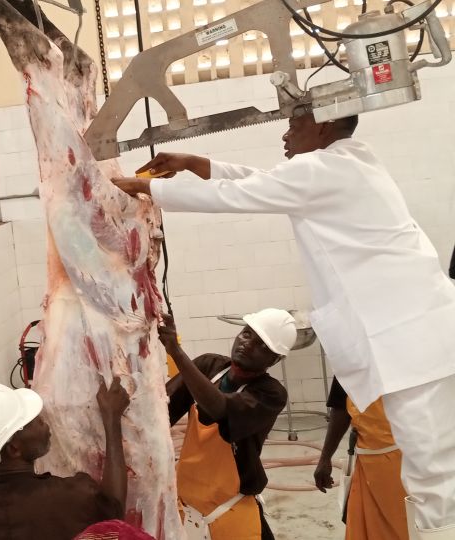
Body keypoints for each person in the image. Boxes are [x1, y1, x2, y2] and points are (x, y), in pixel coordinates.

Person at [112, 113, 455, 539]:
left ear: (325, 127)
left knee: (433, 474)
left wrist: (149, 187)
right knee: (434, 470)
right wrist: (197, 164)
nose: (285, 133)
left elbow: (247, 194)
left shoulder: (325, 168)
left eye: (295, 124)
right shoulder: (347, 162)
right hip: (416, 334)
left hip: (407, 342)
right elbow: (266, 182)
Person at [160, 308, 297, 540]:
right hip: (188, 498)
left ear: (276, 359)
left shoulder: (271, 394)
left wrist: (177, 352)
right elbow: (162, 409)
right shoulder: (207, 366)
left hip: (231, 506)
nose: (248, 344)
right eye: (246, 334)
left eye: (262, 345)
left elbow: (219, 409)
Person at [0, 378, 130, 540]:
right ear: (14, 448)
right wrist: (112, 420)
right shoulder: (72, 496)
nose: (44, 422)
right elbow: (114, 513)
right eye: (35, 422)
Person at [314, 377, 408, 540]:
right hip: (371, 463)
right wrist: (325, 458)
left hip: (413, 459)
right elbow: (341, 407)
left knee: (406, 524)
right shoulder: (352, 358)